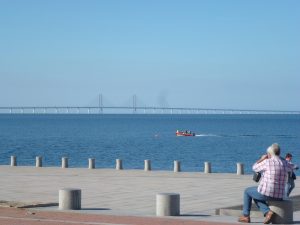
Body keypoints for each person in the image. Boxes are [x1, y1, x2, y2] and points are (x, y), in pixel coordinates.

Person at [238, 143, 293, 224]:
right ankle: (267, 213)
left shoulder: (267, 162)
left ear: (270, 153)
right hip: (279, 196)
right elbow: (293, 167)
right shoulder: (285, 163)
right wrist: (282, 160)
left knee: (247, 191)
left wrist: (262, 159)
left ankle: (246, 216)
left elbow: (254, 167)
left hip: (267, 194)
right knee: (256, 193)